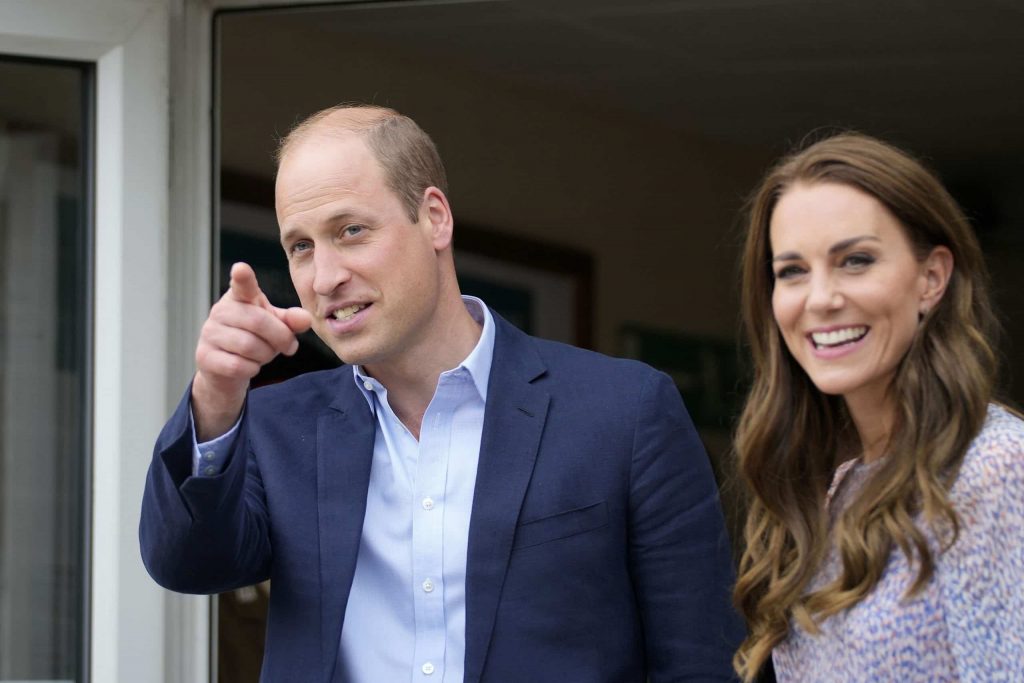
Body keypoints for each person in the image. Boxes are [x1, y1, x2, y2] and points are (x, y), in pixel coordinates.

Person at [140, 104, 743, 682]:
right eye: (301, 246)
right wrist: (217, 396)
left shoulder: (624, 411)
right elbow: (186, 564)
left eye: (350, 231)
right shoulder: (278, 426)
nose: (324, 277)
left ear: (434, 218)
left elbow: (699, 661)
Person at [730, 132, 1024, 681]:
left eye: (855, 260)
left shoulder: (995, 468)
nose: (820, 298)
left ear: (932, 278)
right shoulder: (837, 487)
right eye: (792, 271)